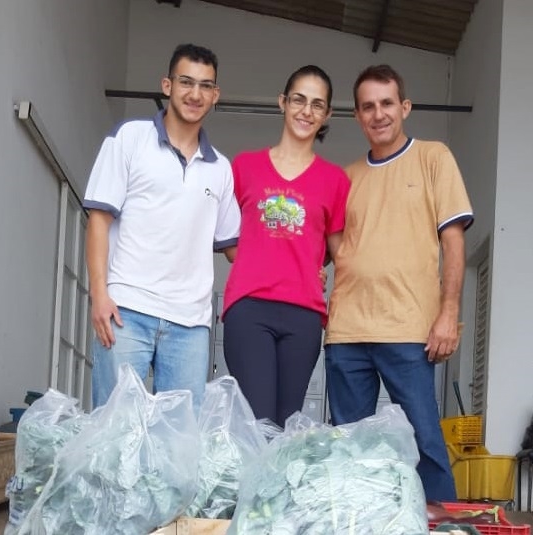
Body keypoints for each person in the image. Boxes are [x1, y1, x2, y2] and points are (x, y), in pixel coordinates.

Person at [324, 64, 474, 502]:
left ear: (404, 107)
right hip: (347, 333)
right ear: (357, 115)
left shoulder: (433, 157)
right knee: (350, 452)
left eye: (387, 103)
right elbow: (333, 250)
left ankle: (444, 529)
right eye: (368, 107)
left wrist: (448, 314)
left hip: (409, 331)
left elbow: (454, 241)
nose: (379, 114)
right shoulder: (345, 178)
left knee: (426, 445)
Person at [83, 43, 240, 412]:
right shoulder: (129, 138)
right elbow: (98, 221)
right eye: (186, 82)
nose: (195, 94)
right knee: (114, 435)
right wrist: (99, 295)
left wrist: (303, 261)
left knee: (179, 441)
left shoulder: (221, 168)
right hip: (126, 311)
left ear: (215, 95)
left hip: (189, 325)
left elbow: (236, 247)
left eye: (205, 86)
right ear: (167, 85)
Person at [222, 65, 351, 428]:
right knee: (259, 423)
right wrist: (266, 255)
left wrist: (312, 263)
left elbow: (339, 252)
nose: (306, 111)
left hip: (304, 316)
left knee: (288, 427)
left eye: (317, 104)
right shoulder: (245, 166)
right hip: (250, 308)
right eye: (299, 99)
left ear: (326, 115)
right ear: (283, 102)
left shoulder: (335, 180)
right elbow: (229, 243)